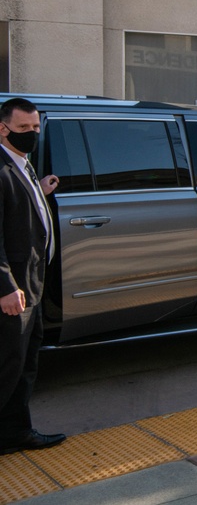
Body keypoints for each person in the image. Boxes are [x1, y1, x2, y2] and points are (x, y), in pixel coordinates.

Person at [0, 98, 66, 455]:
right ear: (3, 128)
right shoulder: (1, 168)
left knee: (25, 364)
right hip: (14, 292)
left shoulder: (21, 166)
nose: (32, 134)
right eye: (23, 128)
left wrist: (39, 192)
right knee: (7, 368)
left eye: (35, 128)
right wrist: (5, 287)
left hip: (33, 287)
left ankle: (15, 432)